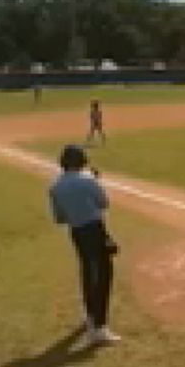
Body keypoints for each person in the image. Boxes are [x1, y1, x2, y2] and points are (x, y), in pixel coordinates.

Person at [49, 144, 121, 345]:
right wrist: (93, 183)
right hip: (95, 230)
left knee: (88, 272)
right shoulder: (87, 180)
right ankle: (99, 327)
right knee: (103, 276)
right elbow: (104, 203)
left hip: (77, 233)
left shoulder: (55, 187)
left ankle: (90, 316)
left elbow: (59, 218)